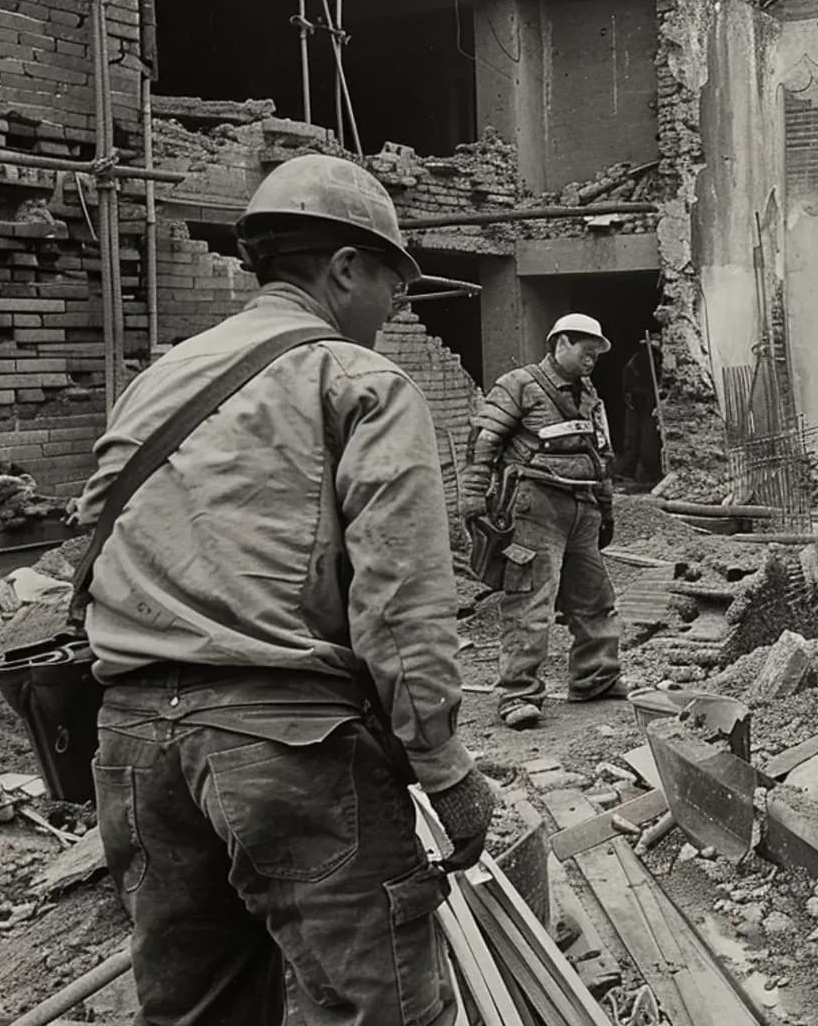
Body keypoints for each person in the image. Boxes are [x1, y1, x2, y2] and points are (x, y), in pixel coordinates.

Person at [77, 153, 494, 1026]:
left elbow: (94, 538)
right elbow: (400, 600)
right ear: (344, 268)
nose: (395, 309)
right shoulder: (358, 381)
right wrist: (444, 765)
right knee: (379, 1007)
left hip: (132, 750)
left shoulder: (158, 380)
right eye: (393, 284)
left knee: (199, 1007)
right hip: (284, 750)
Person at [462, 313, 627, 729]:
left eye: (596, 354)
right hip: (536, 506)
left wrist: (604, 508)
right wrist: (472, 498)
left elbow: (599, 454)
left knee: (595, 600)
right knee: (531, 601)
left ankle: (596, 677)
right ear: (561, 343)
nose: (591, 360)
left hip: (582, 507)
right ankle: (517, 695)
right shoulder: (519, 384)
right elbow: (484, 441)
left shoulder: (589, 396)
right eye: (585, 351)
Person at [615, 337, 663, 485]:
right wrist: (632, 398)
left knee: (648, 442)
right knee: (633, 441)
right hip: (638, 403)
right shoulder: (635, 363)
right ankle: (625, 473)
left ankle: (650, 475)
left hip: (650, 403)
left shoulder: (658, 361)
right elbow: (628, 386)